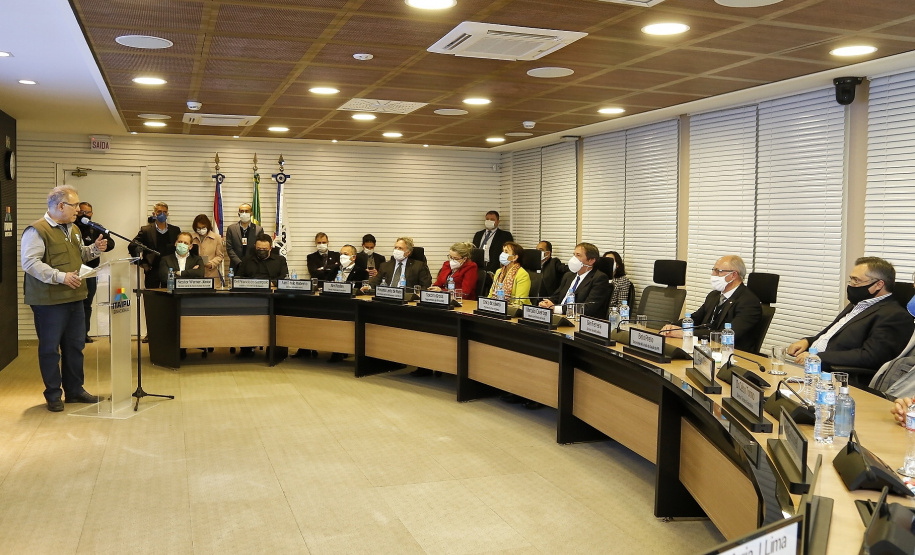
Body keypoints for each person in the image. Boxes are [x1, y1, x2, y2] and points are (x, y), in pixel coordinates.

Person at [21, 185, 105, 412]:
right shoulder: (37, 231)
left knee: (75, 346)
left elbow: (80, 255)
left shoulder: (74, 230)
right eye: (75, 205)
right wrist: (61, 277)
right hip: (49, 301)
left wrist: (95, 249)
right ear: (60, 206)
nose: (79, 209)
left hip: (75, 296)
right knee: (50, 349)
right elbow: (30, 263)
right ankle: (53, 395)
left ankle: (75, 390)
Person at [788, 256, 914, 372]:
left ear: (878, 285)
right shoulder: (857, 304)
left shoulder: (894, 315)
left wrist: (818, 357)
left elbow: (871, 356)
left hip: (836, 376)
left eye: (856, 280)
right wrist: (808, 341)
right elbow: (832, 336)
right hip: (811, 365)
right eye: (851, 279)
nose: (851, 285)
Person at [660, 255, 761, 352]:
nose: (713, 275)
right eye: (713, 270)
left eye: (718, 271)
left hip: (733, 354)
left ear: (733, 275)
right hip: (707, 348)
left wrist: (686, 333)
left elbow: (727, 335)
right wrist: (671, 327)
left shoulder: (749, 302)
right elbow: (695, 318)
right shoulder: (714, 295)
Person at [76, 202, 115, 343]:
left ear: (92, 213)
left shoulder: (95, 228)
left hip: (90, 272)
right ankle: (73, 335)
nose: (84, 215)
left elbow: (111, 242)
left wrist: (103, 246)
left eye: (88, 212)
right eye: (81, 211)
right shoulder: (70, 227)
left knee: (87, 303)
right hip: (73, 272)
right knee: (74, 304)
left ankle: (84, 333)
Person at [539, 242, 610, 317]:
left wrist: (555, 309)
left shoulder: (599, 278)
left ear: (591, 261)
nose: (574, 258)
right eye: (574, 254)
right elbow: (557, 296)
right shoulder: (569, 275)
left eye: (578, 255)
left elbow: (588, 308)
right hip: (558, 316)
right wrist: (547, 303)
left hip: (577, 320)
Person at [128, 202, 180, 288]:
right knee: (151, 298)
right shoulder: (146, 230)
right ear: (154, 214)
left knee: (169, 298)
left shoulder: (175, 230)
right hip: (152, 270)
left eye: (165, 212)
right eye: (159, 211)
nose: (162, 214)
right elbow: (132, 246)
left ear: (167, 214)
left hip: (170, 270)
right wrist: (140, 262)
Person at [365, 237, 432, 290]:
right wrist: (368, 287)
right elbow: (376, 282)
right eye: (395, 247)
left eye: (400, 248)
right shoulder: (385, 266)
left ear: (408, 252)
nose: (396, 250)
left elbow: (426, 285)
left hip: (407, 301)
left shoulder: (419, 266)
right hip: (388, 298)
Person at [224, 203, 263, 270]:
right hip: (236, 266)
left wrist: (250, 263)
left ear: (251, 213)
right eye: (242, 211)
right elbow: (229, 248)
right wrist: (239, 263)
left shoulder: (258, 229)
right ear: (238, 214)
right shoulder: (231, 229)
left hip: (253, 265)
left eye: (246, 211)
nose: (244, 213)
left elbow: (260, 248)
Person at [190, 214, 226, 280]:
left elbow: (220, 256)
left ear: (207, 226)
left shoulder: (217, 238)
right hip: (195, 273)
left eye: (203, 227)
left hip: (211, 273)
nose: (201, 230)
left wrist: (211, 264)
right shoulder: (191, 238)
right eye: (199, 228)